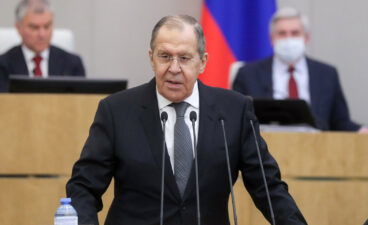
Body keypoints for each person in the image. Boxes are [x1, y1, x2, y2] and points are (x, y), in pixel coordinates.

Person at [66, 15, 307, 225]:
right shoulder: (116, 111)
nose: (174, 68)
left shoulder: (234, 111)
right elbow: (83, 187)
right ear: (151, 58)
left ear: (202, 62)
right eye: (165, 56)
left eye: (184, 58)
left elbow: (268, 188)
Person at [233, 7, 368, 133]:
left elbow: (339, 122)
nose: (288, 39)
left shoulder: (327, 74)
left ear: (306, 37)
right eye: (282, 33)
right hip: (263, 151)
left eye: (295, 33)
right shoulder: (247, 74)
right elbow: (236, 121)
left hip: (319, 151)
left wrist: (362, 131)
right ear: (271, 38)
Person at [0, 0, 85, 92]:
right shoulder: (3, 65)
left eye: (47, 26)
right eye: (34, 27)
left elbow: (79, 103)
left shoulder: (72, 63)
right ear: (18, 28)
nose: (42, 34)